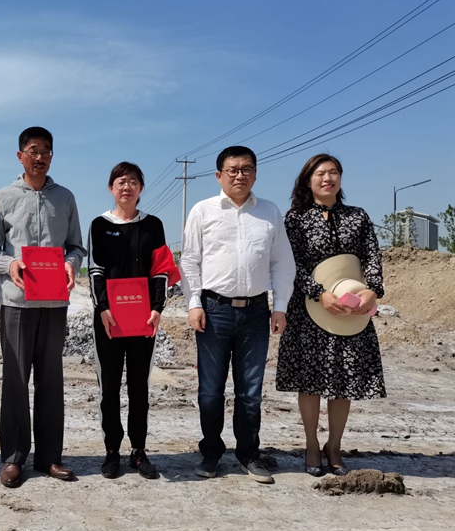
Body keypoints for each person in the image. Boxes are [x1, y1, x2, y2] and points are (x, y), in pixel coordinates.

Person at [180, 146, 295, 484]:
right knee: (210, 390)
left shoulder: (270, 212)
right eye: (232, 170)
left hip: (256, 312)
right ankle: (211, 453)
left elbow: (282, 263)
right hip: (213, 310)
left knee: (250, 391)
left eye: (246, 169)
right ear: (219, 175)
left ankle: (248, 453)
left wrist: (280, 306)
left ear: (255, 174)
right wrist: (194, 303)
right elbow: (190, 261)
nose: (239, 175)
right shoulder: (203, 211)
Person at [0, 126, 86, 488]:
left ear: (52, 156)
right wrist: (9, 264)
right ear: (20, 156)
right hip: (17, 301)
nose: (39, 157)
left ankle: (49, 457)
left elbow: (76, 246)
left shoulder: (65, 198)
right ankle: (13, 458)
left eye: (45, 151)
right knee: (15, 379)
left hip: (54, 302)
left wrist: (71, 263)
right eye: (32, 150)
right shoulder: (4, 197)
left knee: (51, 380)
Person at [276, 154, 385, 476]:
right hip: (309, 310)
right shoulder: (295, 219)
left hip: (352, 309)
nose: (328, 178)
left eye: (334, 172)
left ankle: (334, 445)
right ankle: (311, 444)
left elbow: (372, 257)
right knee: (310, 380)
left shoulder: (358, 216)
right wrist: (318, 292)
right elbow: (290, 263)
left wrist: (373, 290)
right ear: (308, 180)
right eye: (321, 173)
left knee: (343, 380)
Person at [88, 162, 171, 479]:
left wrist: (157, 307)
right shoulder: (99, 225)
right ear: (111, 188)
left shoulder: (153, 225)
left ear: (141, 188)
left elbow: (160, 270)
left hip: (143, 320)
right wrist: (102, 308)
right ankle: (112, 450)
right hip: (108, 320)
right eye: (121, 181)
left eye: (133, 181)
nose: (127, 187)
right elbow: (96, 269)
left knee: (139, 388)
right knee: (108, 388)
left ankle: (138, 450)